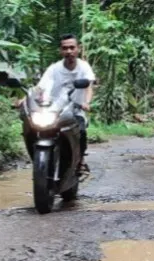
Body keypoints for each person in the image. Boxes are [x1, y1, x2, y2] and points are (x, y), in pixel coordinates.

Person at [33, 33, 96, 175]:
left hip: (75, 109)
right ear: (60, 51)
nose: (69, 51)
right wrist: (26, 99)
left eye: (72, 47)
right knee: (34, 127)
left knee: (81, 132)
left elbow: (88, 86)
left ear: (78, 49)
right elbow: (40, 87)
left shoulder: (84, 67)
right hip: (54, 109)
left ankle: (80, 161)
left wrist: (86, 102)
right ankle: (38, 159)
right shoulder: (54, 68)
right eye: (65, 48)